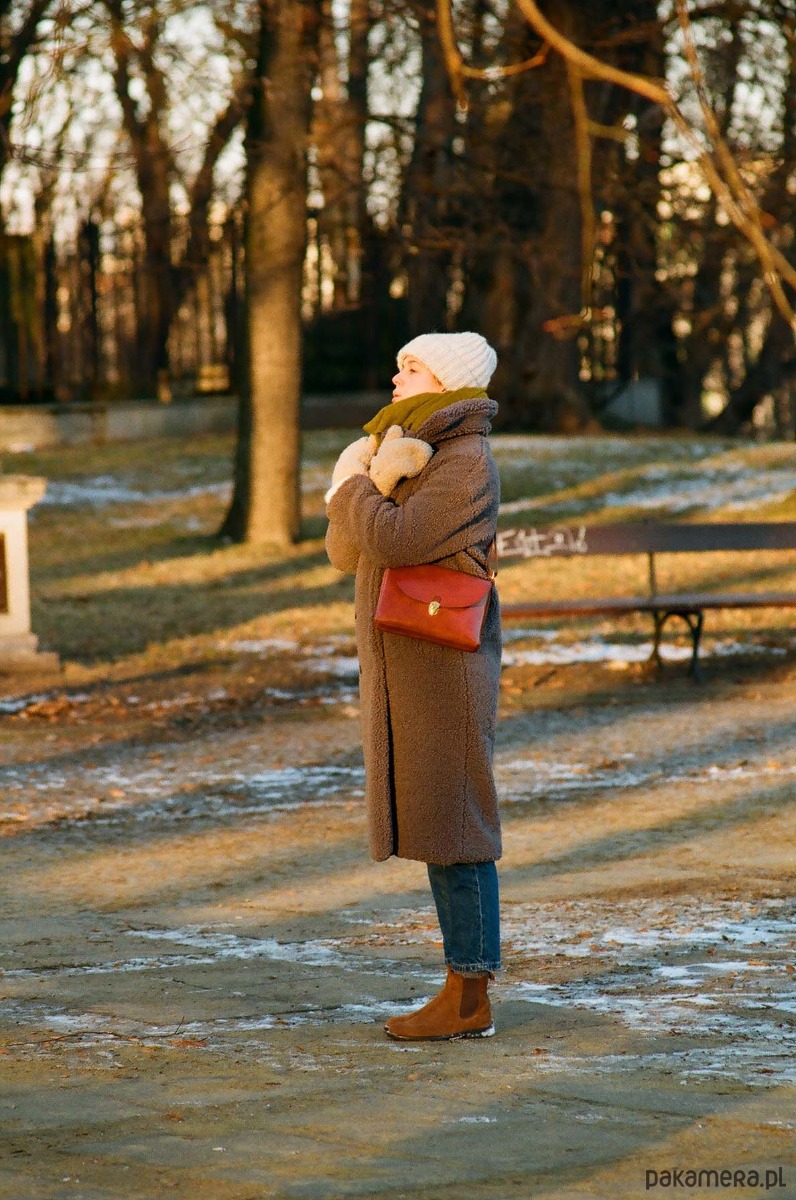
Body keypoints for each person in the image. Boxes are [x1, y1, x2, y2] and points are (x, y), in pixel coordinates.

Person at [324, 331, 502, 1041]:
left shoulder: (464, 462)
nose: (395, 377)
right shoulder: (401, 451)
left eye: (412, 367)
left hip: (445, 670)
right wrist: (364, 479)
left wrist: (362, 487)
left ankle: (469, 995)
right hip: (405, 668)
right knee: (436, 827)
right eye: (397, 363)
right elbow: (346, 549)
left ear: (446, 381)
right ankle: (462, 988)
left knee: (457, 827)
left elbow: (396, 541)